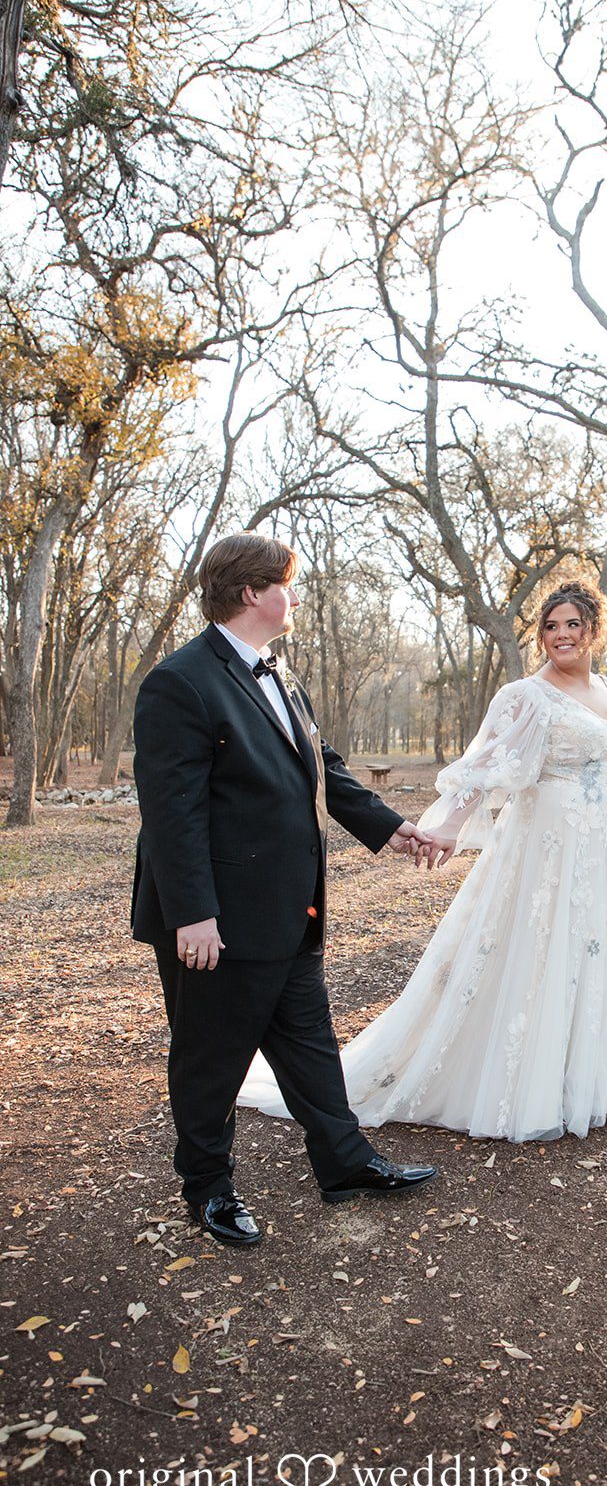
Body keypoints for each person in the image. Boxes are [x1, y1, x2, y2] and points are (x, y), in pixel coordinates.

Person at [238, 578, 607, 1144]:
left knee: (594, 956)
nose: (561, 635)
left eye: (572, 623)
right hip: (550, 851)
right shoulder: (526, 696)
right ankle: (523, 1085)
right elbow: (483, 771)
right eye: (550, 625)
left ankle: (580, 1082)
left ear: (595, 628)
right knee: (542, 954)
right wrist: (442, 829)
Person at [131, 533, 440, 1248]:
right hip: (217, 923)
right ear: (252, 593)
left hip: (289, 910)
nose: (294, 596)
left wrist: (391, 828)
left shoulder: (281, 676)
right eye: (287, 584)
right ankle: (207, 1190)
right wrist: (194, 916)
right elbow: (171, 815)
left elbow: (321, 765)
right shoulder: (178, 683)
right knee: (210, 1060)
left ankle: (345, 1164)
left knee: (308, 1046)